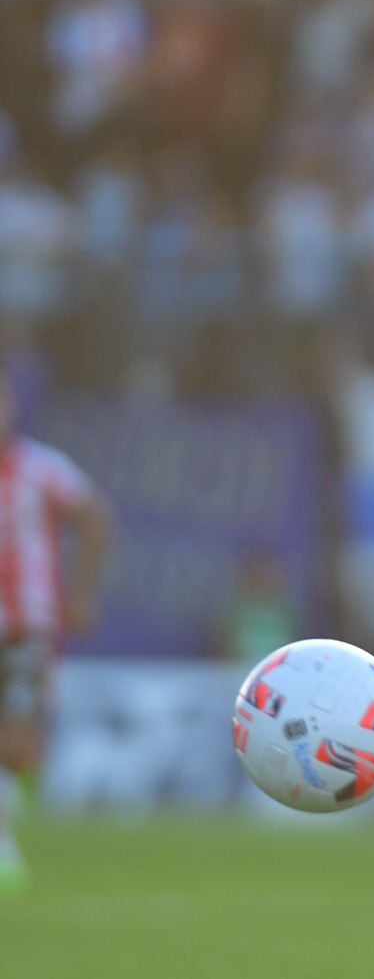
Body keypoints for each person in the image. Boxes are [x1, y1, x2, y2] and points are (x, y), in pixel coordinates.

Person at [0, 374, 113, 892]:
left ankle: (19, 801)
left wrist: (83, 592)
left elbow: (95, 518)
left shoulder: (42, 468)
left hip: (28, 624)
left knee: (19, 743)